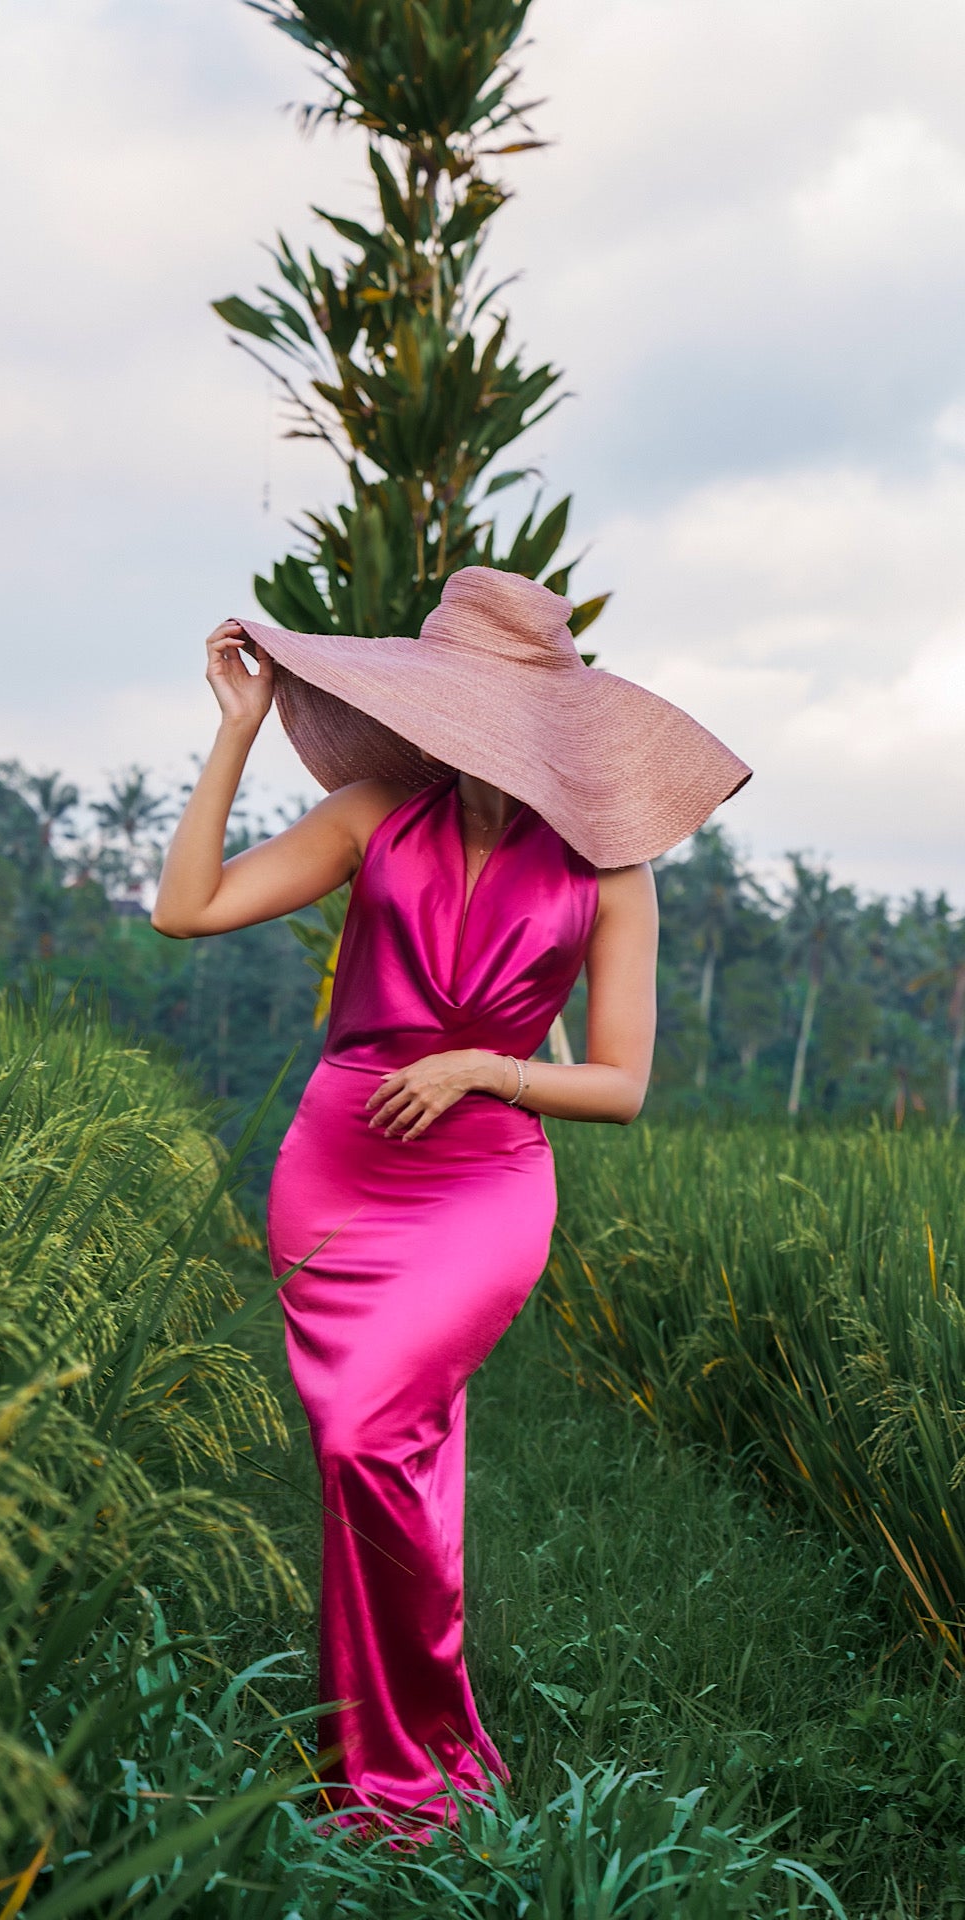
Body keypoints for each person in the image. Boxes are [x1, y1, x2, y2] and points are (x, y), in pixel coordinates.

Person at [151, 565, 751, 1839]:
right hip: (338, 1168)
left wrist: (487, 1068)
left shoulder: (610, 870)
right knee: (368, 1454)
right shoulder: (376, 814)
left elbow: (623, 1083)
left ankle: (408, 1776)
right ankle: (391, 1755)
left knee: (375, 1438)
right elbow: (184, 910)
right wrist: (236, 733)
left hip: (484, 1180)